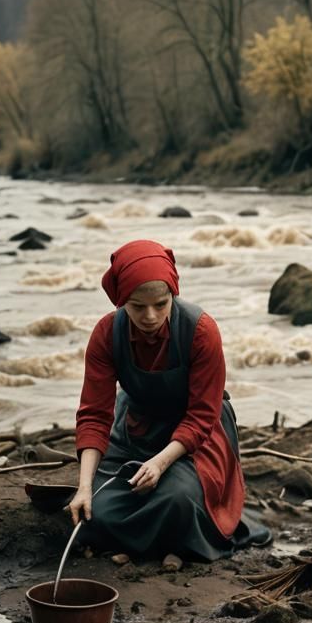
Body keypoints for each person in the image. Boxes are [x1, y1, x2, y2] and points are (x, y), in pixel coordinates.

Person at [68, 239, 269, 564]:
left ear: (173, 295)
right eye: (137, 307)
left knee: (177, 497)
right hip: (136, 429)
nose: (150, 316)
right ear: (121, 302)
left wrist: (160, 464)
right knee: (99, 509)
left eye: (161, 305)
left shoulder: (201, 330)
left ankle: (155, 545)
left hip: (199, 435)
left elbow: (203, 415)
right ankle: (159, 543)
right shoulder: (107, 334)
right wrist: (84, 486)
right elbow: (94, 416)